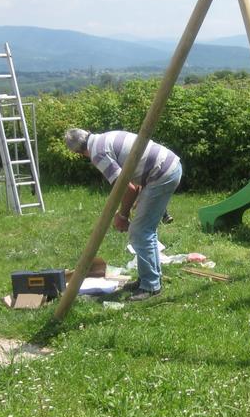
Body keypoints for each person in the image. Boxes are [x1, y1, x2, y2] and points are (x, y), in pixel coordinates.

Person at [65, 128, 182, 301]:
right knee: (144, 229)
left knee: (140, 231)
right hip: (166, 168)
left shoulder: (97, 154)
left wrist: (122, 215)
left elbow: (127, 187)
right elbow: (136, 167)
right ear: (87, 132)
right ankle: (147, 278)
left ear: (79, 153)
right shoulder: (105, 138)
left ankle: (151, 286)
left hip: (162, 174)